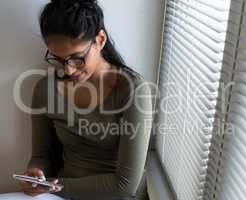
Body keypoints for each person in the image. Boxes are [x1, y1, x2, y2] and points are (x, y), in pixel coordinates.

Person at [0, 0, 153, 199]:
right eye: (58, 59)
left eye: (77, 58)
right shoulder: (45, 89)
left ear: (100, 40)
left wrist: (53, 187)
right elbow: (42, 156)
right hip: (62, 194)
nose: (68, 69)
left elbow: (125, 185)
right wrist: (35, 174)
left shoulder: (132, 90)